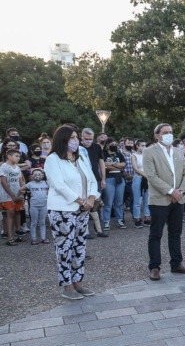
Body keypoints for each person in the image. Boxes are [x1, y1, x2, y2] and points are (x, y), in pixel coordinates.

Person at [44, 125, 100, 300]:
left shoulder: (80, 158)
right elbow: (58, 185)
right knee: (64, 249)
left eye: (76, 137)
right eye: (72, 138)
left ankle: (78, 283)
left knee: (79, 248)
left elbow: (91, 179)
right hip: (63, 210)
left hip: (83, 210)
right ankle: (67, 286)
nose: (76, 141)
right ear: (63, 140)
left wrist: (91, 198)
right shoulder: (53, 159)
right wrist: (81, 200)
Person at [142, 123, 185, 280]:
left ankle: (176, 263)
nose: (169, 135)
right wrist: (171, 191)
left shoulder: (178, 152)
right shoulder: (149, 152)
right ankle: (155, 267)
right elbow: (151, 176)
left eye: (171, 132)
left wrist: (181, 191)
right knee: (156, 234)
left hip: (179, 199)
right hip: (159, 200)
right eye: (165, 132)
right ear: (157, 135)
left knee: (176, 233)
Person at [1, 148, 26, 245]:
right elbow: (3, 182)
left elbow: (21, 180)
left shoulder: (17, 167)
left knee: (18, 213)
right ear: (9, 156)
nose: (18, 158)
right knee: (10, 215)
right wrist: (12, 195)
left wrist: (22, 192)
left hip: (17, 195)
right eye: (16, 156)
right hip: (7, 196)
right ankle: (10, 238)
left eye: (19, 156)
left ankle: (17, 235)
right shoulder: (4, 167)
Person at [101, 138, 127, 230]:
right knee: (108, 202)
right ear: (107, 145)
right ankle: (106, 221)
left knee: (119, 202)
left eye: (115, 144)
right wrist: (117, 166)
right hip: (109, 179)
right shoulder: (103, 154)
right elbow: (103, 165)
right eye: (112, 144)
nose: (114, 146)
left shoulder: (119, 154)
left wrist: (112, 164)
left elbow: (123, 165)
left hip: (119, 180)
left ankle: (120, 220)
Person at [130, 139, 150, 228]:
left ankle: (147, 217)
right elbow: (136, 168)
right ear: (137, 146)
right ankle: (137, 218)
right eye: (142, 145)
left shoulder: (147, 155)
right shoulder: (133, 155)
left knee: (147, 199)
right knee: (137, 200)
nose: (144, 147)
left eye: (145, 145)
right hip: (138, 178)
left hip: (147, 179)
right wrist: (146, 176)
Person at [27, 168, 49, 245]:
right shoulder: (30, 184)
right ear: (32, 176)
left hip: (44, 205)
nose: (37, 176)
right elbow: (21, 189)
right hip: (34, 206)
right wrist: (25, 193)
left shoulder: (46, 183)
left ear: (42, 175)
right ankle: (33, 239)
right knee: (33, 222)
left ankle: (43, 238)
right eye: (35, 174)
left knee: (42, 222)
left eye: (39, 174)